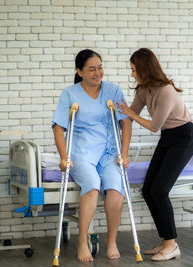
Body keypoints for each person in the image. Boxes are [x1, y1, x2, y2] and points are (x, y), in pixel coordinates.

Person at [117, 48, 193, 261]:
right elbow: (130, 114)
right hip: (167, 138)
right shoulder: (144, 89)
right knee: (148, 190)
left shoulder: (166, 92)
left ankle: (172, 245)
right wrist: (113, 119)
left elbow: (154, 125)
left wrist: (131, 114)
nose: (132, 74)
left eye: (134, 70)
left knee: (160, 190)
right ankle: (165, 240)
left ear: (145, 69)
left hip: (183, 138)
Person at [52, 49, 132, 262]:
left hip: (108, 153)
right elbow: (58, 127)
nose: (98, 72)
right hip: (82, 153)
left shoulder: (113, 91)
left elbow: (125, 122)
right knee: (92, 184)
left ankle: (112, 240)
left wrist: (124, 154)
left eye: (100, 67)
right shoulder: (70, 93)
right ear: (79, 71)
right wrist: (63, 157)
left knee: (115, 188)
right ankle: (82, 240)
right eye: (92, 69)